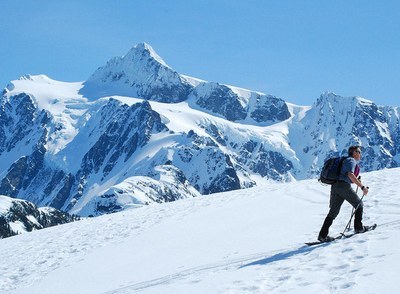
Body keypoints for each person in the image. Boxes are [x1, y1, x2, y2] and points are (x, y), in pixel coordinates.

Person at [318, 145, 370, 242]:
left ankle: (322, 235)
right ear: (354, 153)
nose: (360, 154)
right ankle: (359, 227)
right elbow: (350, 174)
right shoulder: (351, 160)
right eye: (359, 152)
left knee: (333, 212)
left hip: (335, 186)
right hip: (343, 186)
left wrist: (354, 179)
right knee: (359, 204)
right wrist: (362, 187)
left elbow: (347, 174)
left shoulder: (345, 160)